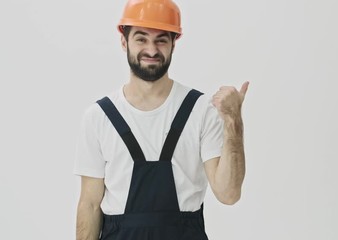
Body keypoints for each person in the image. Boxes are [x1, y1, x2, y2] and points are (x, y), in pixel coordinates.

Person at [74, 0, 248, 239]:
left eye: (161, 40)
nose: (152, 50)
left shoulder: (201, 110)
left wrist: (233, 121)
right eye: (141, 39)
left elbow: (229, 194)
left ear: (174, 44)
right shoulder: (98, 117)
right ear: (124, 41)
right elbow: (90, 205)